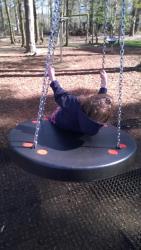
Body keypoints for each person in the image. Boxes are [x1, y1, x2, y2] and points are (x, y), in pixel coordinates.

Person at [48, 66, 113, 136]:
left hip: (61, 124)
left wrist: (53, 78)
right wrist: (104, 85)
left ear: (90, 100)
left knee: (62, 108)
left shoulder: (75, 103)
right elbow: (99, 105)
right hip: (80, 131)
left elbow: (61, 95)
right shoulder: (96, 125)